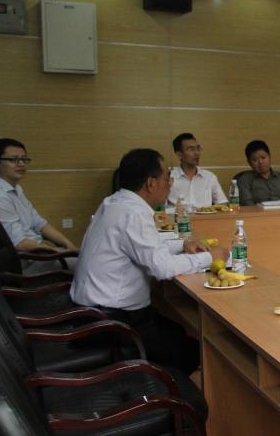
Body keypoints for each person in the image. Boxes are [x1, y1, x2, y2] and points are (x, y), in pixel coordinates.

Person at [71, 149, 213, 374]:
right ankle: (168, 389)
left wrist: (182, 245)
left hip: (93, 313)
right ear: (151, 183)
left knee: (178, 330)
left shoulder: (115, 202)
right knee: (191, 350)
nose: (170, 184)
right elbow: (162, 268)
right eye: (167, 177)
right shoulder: (134, 214)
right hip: (112, 323)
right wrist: (209, 257)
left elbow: (142, 246)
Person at [0, 138, 79, 258]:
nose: (21, 164)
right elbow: (19, 243)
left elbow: (40, 225)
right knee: (88, 265)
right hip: (28, 259)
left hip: (40, 253)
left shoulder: (15, 190)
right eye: (13, 160)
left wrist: (70, 247)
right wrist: (58, 253)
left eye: (24, 159)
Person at [168, 132, 228, 208]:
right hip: (178, 215)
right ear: (179, 155)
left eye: (198, 148)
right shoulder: (168, 178)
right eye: (191, 149)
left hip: (205, 215)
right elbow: (160, 208)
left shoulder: (209, 177)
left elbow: (223, 204)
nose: (197, 153)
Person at [236, 140, 280, 205]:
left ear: (269, 157)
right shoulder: (244, 181)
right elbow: (248, 205)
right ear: (249, 162)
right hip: (258, 211)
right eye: (255, 160)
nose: (260, 162)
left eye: (263, 157)